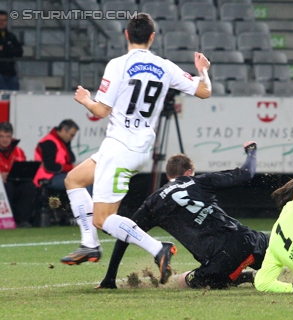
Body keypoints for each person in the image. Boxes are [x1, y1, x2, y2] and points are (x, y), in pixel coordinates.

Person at [62, 13, 212, 285]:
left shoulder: (118, 65)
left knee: (103, 219)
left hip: (121, 146)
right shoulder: (164, 66)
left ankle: (158, 248)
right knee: (74, 179)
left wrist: (85, 100)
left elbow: (101, 110)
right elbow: (204, 92)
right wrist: (202, 70)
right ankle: (89, 244)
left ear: (126, 34)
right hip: (137, 146)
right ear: (152, 37)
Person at [98, 142, 268, 289]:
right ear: (188, 172)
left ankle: (237, 276)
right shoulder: (200, 181)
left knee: (183, 281)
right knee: (274, 245)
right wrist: (251, 150)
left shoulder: (153, 203)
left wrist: (110, 278)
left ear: (168, 176)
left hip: (221, 264)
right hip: (249, 240)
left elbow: (125, 234)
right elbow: (246, 174)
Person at [0, 122, 36, 227]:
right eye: (1, 136)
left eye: (8, 136)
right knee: (7, 187)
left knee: (29, 187)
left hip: (15, 180)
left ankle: (23, 221)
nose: (4, 139)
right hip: (2, 184)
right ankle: (6, 218)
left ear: (12, 137)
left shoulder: (18, 151)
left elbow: (22, 168)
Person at [33, 119, 78, 191]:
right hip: (48, 177)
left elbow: (71, 159)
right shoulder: (49, 142)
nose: (72, 138)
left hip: (59, 175)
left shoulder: (62, 141)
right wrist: (71, 167)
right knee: (81, 181)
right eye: (71, 135)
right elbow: (50, 166)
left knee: (88, 178)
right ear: (63, 130)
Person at [0, 10, 23, 91]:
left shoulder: (11, 36)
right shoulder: (11, 37)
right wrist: (10, 49)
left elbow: (19, 52)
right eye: (0, 20)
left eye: (4, 20)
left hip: (11, 72)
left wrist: (4, 48)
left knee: (14, 97)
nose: (2, 22)